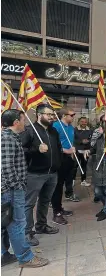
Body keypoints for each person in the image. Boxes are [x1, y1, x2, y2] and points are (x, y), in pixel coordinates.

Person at [1, 109, 49, 268]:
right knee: (17, 223)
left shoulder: (10, 137)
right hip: (11, 191)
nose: (25, 123)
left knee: (6, 223)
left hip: (9, 189)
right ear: (16, 122)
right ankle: (25, 257)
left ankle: (4, 254)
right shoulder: (7, 139)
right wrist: (18, 186)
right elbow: (7, 168)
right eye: (23, 120)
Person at [21, 104, 63, 245]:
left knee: (45, 201)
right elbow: (21, 150)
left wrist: (59, 163)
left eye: (53, 114)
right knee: (29, 204)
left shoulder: (54, 131)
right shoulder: (29, 131)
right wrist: (36, 149)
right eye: (49, 114)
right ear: (39, 115)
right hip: (35, 174)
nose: (52, 117)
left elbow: (58, 148)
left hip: (52, 173)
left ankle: (41, 226)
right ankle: (27, 232)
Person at [85, 115, 106, 221]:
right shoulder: (98, 134)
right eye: (103, 121)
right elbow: (93, 147)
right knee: (98, 191)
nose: (105, 123)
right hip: (98, 166)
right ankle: (105, 207)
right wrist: (89, 151)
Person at [51, 107, 78, 226]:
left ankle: (59, 207)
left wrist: (72, 151)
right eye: (71, 115)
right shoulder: (56, 126)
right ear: (64, 116)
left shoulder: (71, 127)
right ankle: (56, 212)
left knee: (62, 184)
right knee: (57, 186)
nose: (73, 117)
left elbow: (71, 142)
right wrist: (65, 150)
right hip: (59, 158)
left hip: (68, 159)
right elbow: (52, 144)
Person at [73, 117, 92, 187]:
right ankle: (73, 180)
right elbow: (73, 139)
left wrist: (88, 141)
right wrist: (81, 141)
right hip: (77, 150)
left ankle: (83, 180)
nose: (84, 123)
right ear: (79, 122)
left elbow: (92, 139)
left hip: (86, 151)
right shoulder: (75, 129)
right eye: (82, 121)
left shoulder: (89, 130)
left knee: (84, 166)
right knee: (75, 166)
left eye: (85, 122)